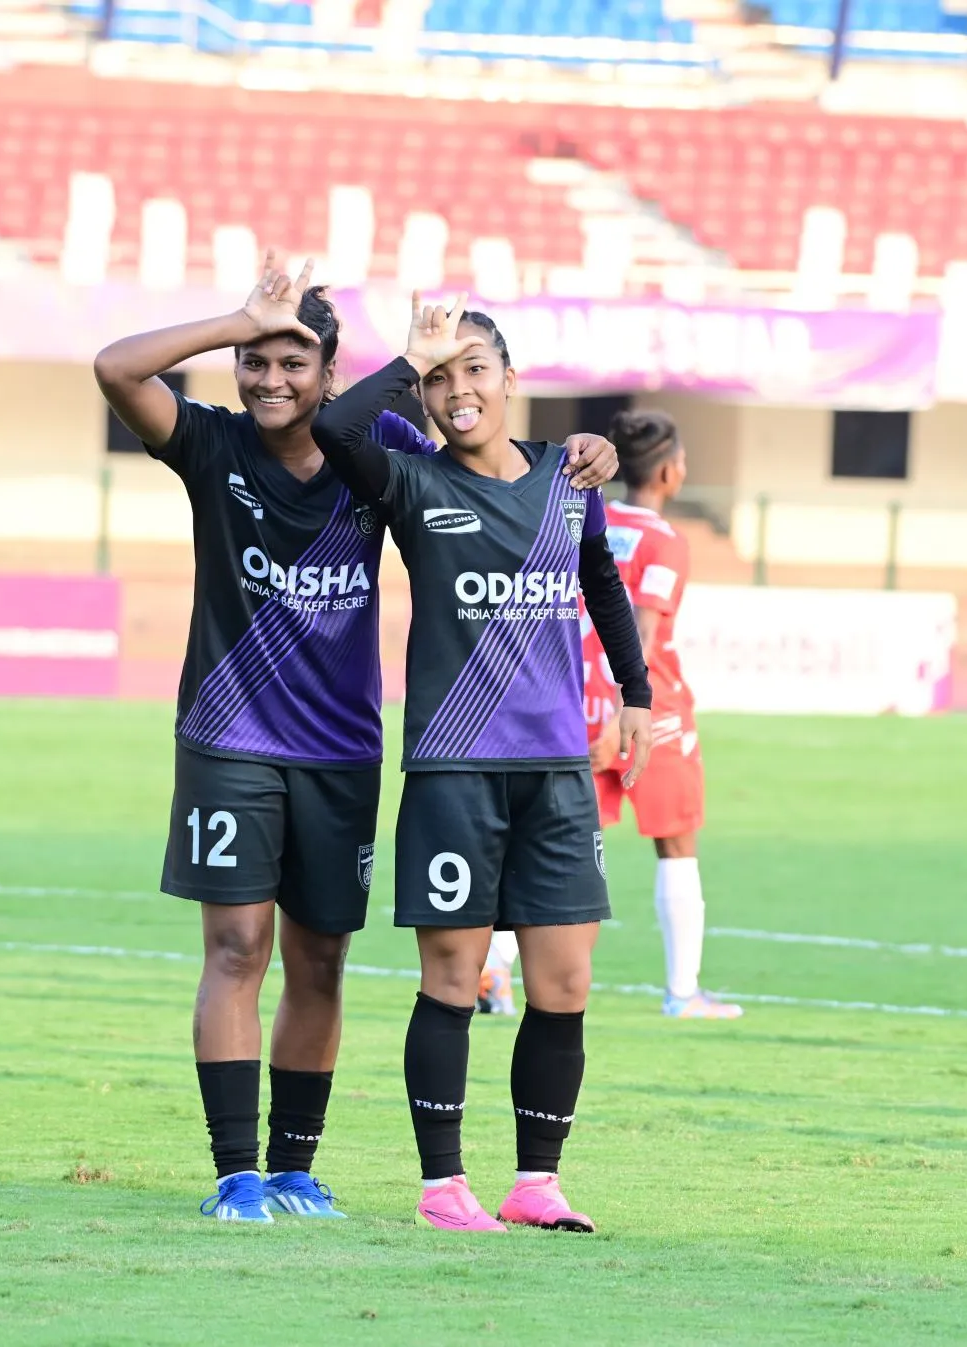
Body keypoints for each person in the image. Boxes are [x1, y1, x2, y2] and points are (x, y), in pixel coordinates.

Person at [93, 254, 619, 1225]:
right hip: (229, 736)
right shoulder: (208, 442)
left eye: (294, 363)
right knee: (237, 945)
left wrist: (582, 449)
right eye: (255, 361)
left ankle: (295, 1168)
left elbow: (484, 437)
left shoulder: (374, 442)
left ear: (330, 376)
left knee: (321, 958)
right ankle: (234, 1172)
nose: (270, 380)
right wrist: (233, 321)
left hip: (342, 750)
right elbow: (117, 369)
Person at [313, 295, 653, 1235]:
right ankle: (442, 1187)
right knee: (453, 977)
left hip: (555, 772)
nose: (457, 390)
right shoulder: (411, 482)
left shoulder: (567, 476)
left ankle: (536, 1182)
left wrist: (636, 694)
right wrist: (406, 354)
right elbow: (335, 424)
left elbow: (601, 583)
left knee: (564, 983)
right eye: (438, 377)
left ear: (511, 378)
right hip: (454, 769)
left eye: (473, 368)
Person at [582, 410, 741, 1020]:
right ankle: (683, 993)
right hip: (650, 711)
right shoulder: (666, 540)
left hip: (575, 699)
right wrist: (625, 715)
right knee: (676, 844)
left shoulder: (589, 521)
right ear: (672, 472)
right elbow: (643, 632)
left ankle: (495, 978)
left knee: (558, 845)